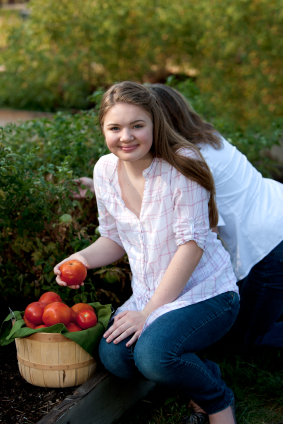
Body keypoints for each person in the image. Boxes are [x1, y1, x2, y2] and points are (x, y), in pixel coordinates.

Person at [54, 81, 239, 424]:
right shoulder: (105, 171)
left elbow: (192, 246)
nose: (126, 136)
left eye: (137, 125)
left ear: (155, 124)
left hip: (206, 292)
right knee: (116, 358)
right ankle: (200, 371)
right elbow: (113, 238)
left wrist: (149, 313)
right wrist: (81, 259)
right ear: (103, 131)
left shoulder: (182, 164)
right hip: (150, 294)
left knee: (153, 356)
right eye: (115, 127)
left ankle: (216, 402)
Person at [74, 83, 283, 349]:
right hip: (276, 212)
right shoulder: (206, 140)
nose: (130, 133)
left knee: (243, 338)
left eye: (140, 123)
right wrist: (99, 188)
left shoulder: (189, 162)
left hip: (268, 243)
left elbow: (204, 236)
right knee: (258, 312)